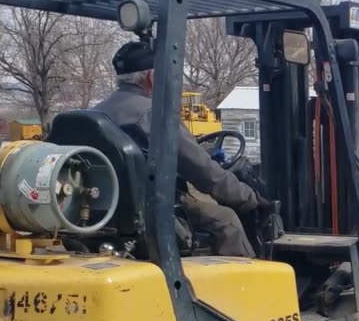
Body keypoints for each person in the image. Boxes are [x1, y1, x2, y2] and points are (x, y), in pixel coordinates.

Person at [92, 40, 270, 258]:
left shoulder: (97, 112)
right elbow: (204, 172)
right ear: (151, 77)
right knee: (227, 221)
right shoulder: (153, 113)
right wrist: (249, 198)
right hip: (153, 207)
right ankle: (246, 289)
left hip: (107, 210)